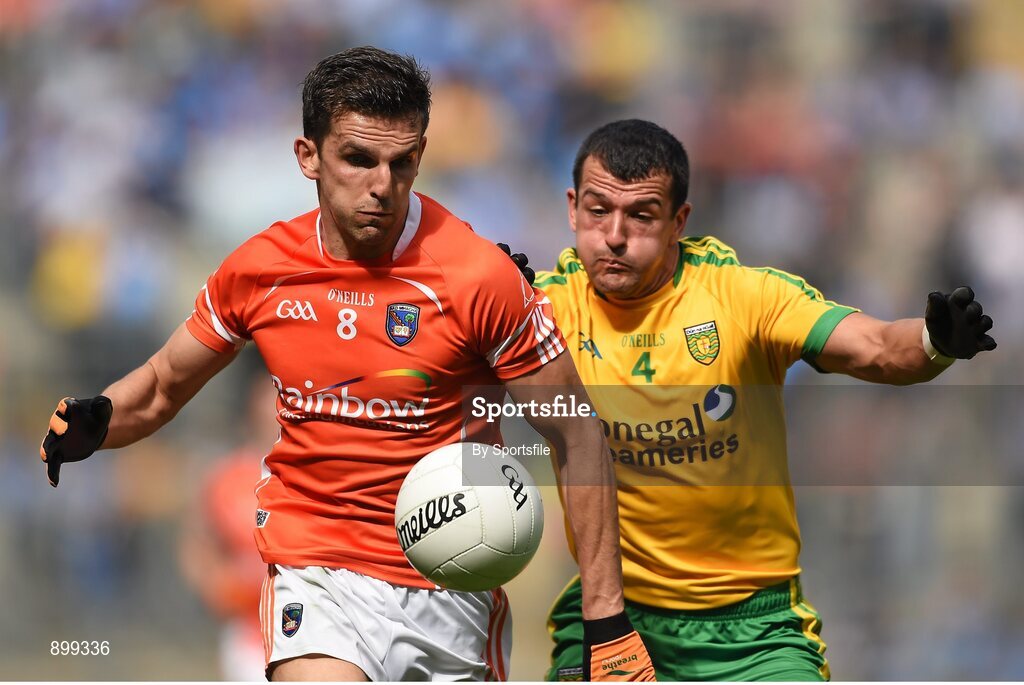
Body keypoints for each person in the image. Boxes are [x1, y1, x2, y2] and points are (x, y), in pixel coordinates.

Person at [38, 48, 656, 682]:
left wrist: (607, 621)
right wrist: (98, 421)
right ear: (309, 157)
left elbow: (577, 433)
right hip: (316, 569)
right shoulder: (261, 270)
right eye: (358, 159)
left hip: (452, 582)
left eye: (401, 163)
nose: (381, 186)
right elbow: (163, 385)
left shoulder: (478, 276)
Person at [535, 119, 996, 681]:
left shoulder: (744, 297)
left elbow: (875, 346)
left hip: (754, 631)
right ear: (571, 208)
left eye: (641, 216)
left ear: (679, 221)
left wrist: (935, 341)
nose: (613, 235)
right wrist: (480, 299)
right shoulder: (543, 308)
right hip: (610, 616)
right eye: (597, 210)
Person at [178, 371, 280, 681]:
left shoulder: (313, 478)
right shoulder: (227, 476)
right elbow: (197, 543)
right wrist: (217, 585)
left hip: (311, 629)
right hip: (249, 636)